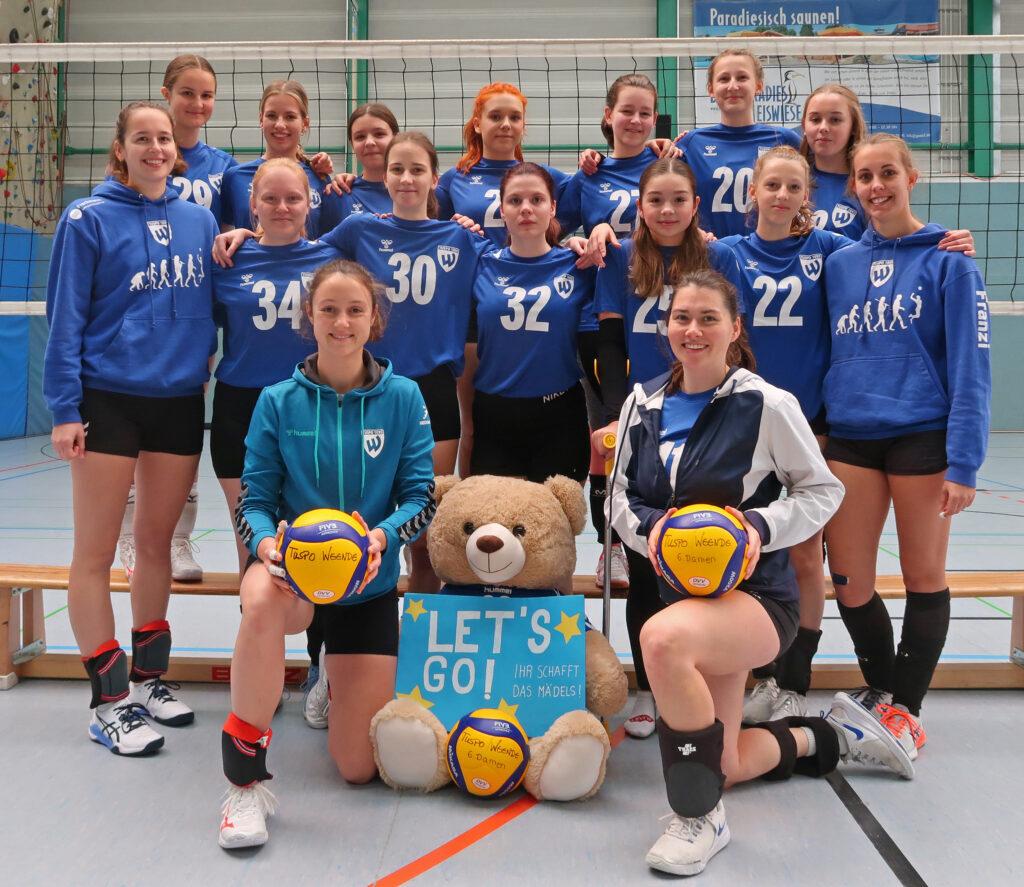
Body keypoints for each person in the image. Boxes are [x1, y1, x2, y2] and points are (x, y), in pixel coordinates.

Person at [607, 269, 913, 877]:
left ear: (734, 328)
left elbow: (822, 491)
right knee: (722, 764)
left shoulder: (768, 403)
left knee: (662, 641)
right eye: (681, 318)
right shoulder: (642, 402)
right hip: (688, 599)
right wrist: (658, 536)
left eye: (708, 318)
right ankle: (828, 737)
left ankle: (700, 820)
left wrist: (757, 530)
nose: (693, 330)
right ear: (665, 328)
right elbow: (618, 500)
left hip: (758, 600)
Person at [218, 259, 435, 849]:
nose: (342, 322)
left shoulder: (404, 397)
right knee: (259, 597)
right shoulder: (277, 400)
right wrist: (265, 545)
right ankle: (243, 785)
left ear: (375, 320)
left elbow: (420, 497)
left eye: (355, 310)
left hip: (366, 585)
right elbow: (253, 500)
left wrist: (381, 537)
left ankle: (330, 680)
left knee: (357, 768)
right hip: (294, 579)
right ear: (309, 318)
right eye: (329, 310)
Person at [44, 100, 219, 755]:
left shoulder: (200, 219)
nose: (155, 148)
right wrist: (65, 409)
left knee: (155, 543)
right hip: (107, 398)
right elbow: (64, 320)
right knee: (93, 554)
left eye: (164, 138)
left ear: (178, 148)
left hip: (176, 399)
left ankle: (149, 681)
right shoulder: (87, 219)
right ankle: (109, 701)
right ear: (119, 148)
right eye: (141, 138)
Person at [822, 133, 992, 762]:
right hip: (852, 435)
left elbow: (973, 367)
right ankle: (885, 689)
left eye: (887, 173)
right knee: (851, 582)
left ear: (911, 178)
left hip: (923, 435)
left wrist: (965, 461)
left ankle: (906, 712)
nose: (875, 186)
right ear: (853, 186)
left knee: (923, 576)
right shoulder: (838, 263)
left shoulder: (951, 261)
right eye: (864, 176)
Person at [589, 156, 743, 739]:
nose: (667, 210)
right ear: (641, 207)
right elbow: (608, 338)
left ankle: (705, 676)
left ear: (695, 205)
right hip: (646, 413)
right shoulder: (625, 259)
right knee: (650, 560)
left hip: (707, 409)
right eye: (656, 201)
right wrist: (610, 413)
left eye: (679, 200)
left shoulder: (719, 256)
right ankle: (651, 690)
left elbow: (736, 331)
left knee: (702, 542)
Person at [117, 54, 237, 583]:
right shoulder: (139, 156)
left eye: (206, 94)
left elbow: (235, 233)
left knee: (181, 431)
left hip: (193, 314)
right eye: (187, 93)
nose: (197, 104)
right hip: (138, 312)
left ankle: (179, 541)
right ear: (167, 94)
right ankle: (131, 538)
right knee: (130, 436)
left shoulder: (224, 167)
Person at [210, 158, 336, 574]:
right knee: (252, 540)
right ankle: (256, 629)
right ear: (253, 204)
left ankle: (323, 638)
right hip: (240, 407)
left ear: (309, 204)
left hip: (309, 403)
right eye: (271, 198)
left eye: (293, 198)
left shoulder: (332, 258)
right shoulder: (227, 257)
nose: (282, 207)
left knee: (317, 534)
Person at [464, 161, 597, 484]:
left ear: (553, 208)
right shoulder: (480, 262)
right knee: (495, 528)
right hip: (495, 414)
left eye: (536, 200)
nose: (526, 209)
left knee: (554, 528)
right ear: (502, 209)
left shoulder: (579, 264)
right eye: (515, 200)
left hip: (559, 413)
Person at [674, 49, 801, 238]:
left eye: (742, 77)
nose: (733, 86)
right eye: (724, 79)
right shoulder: (691, 143)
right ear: (711, 89)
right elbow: (669, 198)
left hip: (768, 255)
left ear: (758, 86)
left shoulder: (784, 139)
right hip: (708, 255)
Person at [436, 82, 569, 246]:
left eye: (514, 117)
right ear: (477, 124)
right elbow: (432, 234)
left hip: (528, 270)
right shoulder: (455, 178)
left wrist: (593, 158)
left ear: (523, 125)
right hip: (476, 271)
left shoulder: (544, 176)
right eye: (495, 117)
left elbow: (593, 199)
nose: (506, 125)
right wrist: (455, 232)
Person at [220, 80, 341, 236]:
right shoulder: (235, 177)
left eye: (290, 117)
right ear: (261, 120)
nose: (280, 124)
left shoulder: (319, 177)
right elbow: (224, 237)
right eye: (271, 115)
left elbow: (328, 240)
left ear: (305, 123)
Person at [799, 83, 868, 239]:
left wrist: (933, 236)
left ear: (854, 127)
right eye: (815, 119)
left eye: (835, 120)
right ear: (804, 125)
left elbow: (899, 235)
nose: (823, 127)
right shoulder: (790, 183)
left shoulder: (868, 186)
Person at [333, 102, 400, 218]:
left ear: (396, 138)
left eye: (379, 134)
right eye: (360, 137)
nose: (369, 142)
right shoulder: (337, 195)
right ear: (352, 144)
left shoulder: (420, 192)